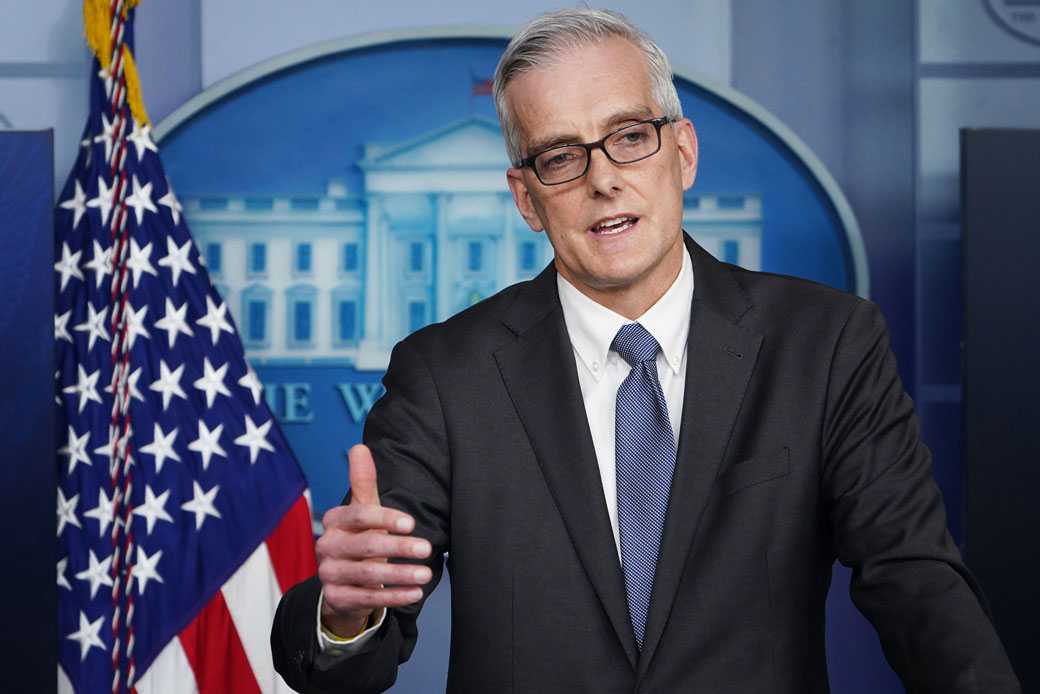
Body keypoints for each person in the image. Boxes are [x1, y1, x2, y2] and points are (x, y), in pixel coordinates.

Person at [271, 8, 1020, 693]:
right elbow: (348, 659)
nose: (604, 179)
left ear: (683, 152)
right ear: (526, 199)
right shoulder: (445, 373)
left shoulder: (825, 343)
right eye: (561, 156)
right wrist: (344, 616)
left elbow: (914, 580)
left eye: (630, 136)